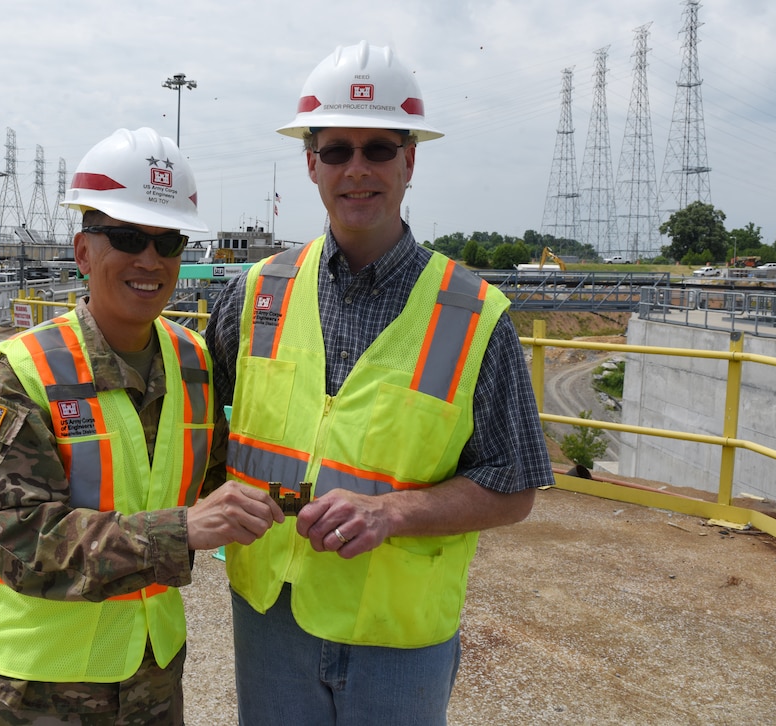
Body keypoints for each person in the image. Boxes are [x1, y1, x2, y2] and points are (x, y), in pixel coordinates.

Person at [204, 41, 556, 725]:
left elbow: (512, 486)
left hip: (400, 637)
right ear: (310, 163)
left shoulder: (476, 315)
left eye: (378, 149)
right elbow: (183, 422)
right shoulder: (257, 294)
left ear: (410, 161)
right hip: (271, 617)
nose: (356, 169)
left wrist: (392, 513)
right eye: (336, 150)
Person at [0, 127, 283, 725]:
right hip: (39, 687)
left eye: (167, 240)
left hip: (151, 675)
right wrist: (179, 532)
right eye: (127, 237)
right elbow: (12, 537)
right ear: (84, 252)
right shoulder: (22, 373)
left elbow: (220, 482)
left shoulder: (194, 362)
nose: (150, 260)